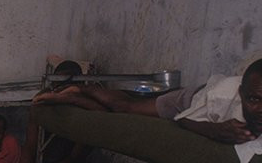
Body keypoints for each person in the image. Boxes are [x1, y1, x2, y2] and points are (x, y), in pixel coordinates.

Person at [33, 58, 262, 144]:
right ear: (241, 93)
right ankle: (82, 90)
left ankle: (79, 92)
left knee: (128, 104)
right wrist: (214, 130)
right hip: (189, 100)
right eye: (254, 99)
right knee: (125, 108)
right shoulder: (220, 98)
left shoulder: (249, 94)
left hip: (201, 92)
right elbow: (181, 120)